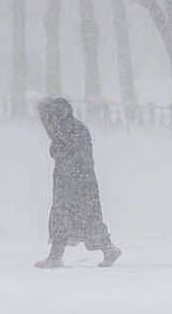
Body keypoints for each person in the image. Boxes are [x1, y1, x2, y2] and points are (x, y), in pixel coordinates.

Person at [35, 97, 122, 269]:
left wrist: (57, 151)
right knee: (85, 218)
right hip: (78, 181)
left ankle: (56, 256)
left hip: (74, 182)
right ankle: (106, 249)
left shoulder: (68, 130)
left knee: (67, 217)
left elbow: (65, 154)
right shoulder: (70, 127)